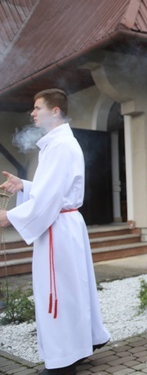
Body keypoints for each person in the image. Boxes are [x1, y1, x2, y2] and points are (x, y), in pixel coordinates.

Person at [0, 89, 110, 375]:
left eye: (38, 108)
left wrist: (10, 216)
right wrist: (24, 185)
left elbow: (51, 199)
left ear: (56, 111)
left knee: (57, 293)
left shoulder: (61, 146)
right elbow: (54, 190)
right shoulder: (57, 144)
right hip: (63, 225)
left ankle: (64, 360)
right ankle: (81, 343)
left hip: (58, 228)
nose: (33, 113)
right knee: (72, 289)